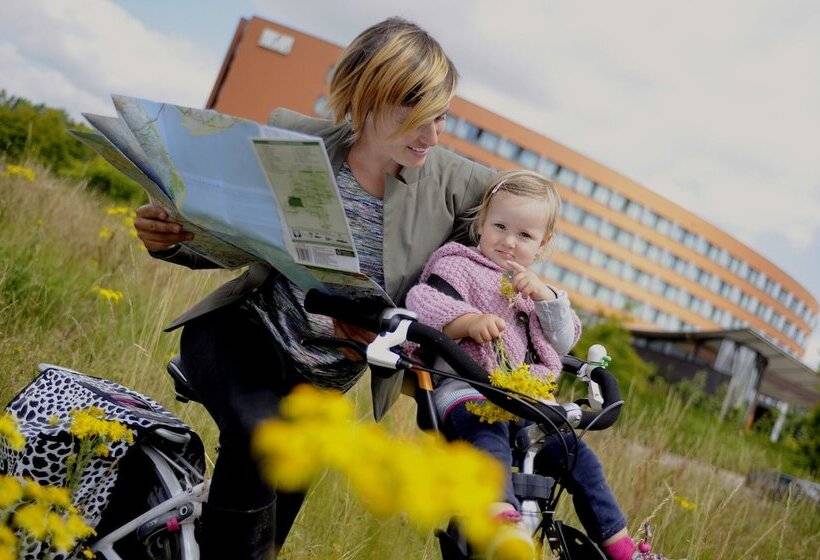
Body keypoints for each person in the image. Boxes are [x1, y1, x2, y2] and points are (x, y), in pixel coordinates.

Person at [134, 17, 493, 559]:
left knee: (266, 536)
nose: (432, 135)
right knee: (260, 445)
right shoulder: (296, 142)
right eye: (416, 118)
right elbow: (229, 236)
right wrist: (169, 238)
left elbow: (506, 243)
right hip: (243, 334)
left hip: (320, 386)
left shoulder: (455, 185)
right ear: (367, 98)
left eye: (441, 117)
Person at [405, 170, 665, 560]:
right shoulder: (458, 265)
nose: (509, 242)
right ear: (480, 224)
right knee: (489, 443)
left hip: (525, 403)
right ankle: (501, 525)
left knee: (578, 457)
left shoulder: (533, 288)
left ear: (543, 243)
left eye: (525, 235)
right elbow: (422, 302)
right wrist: (468, 322)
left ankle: (622, 547)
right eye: (500, 227)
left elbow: (564, 340)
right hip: (467, 393)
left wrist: (546, 298)